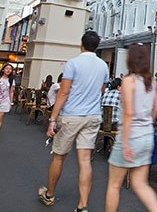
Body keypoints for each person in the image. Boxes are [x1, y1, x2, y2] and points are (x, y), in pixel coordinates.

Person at [38, 31, 109, 212]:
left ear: (81, 44)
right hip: (93, 116)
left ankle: (49, 194)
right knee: (85, 160)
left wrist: (52, 119)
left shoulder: (73, 64)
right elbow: (101, 91)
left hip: (71, 116)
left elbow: (63, 93)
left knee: (59, 155)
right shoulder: (103, 66)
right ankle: (82, 206)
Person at [105, 43, 157, 212]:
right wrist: (147, 124)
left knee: (114, 185)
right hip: (146, 137)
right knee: (141, 184)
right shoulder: (152, 81)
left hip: (130, 137)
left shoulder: (128, 81)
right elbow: (156, 108)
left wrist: (124, 141)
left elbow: (128, 113)